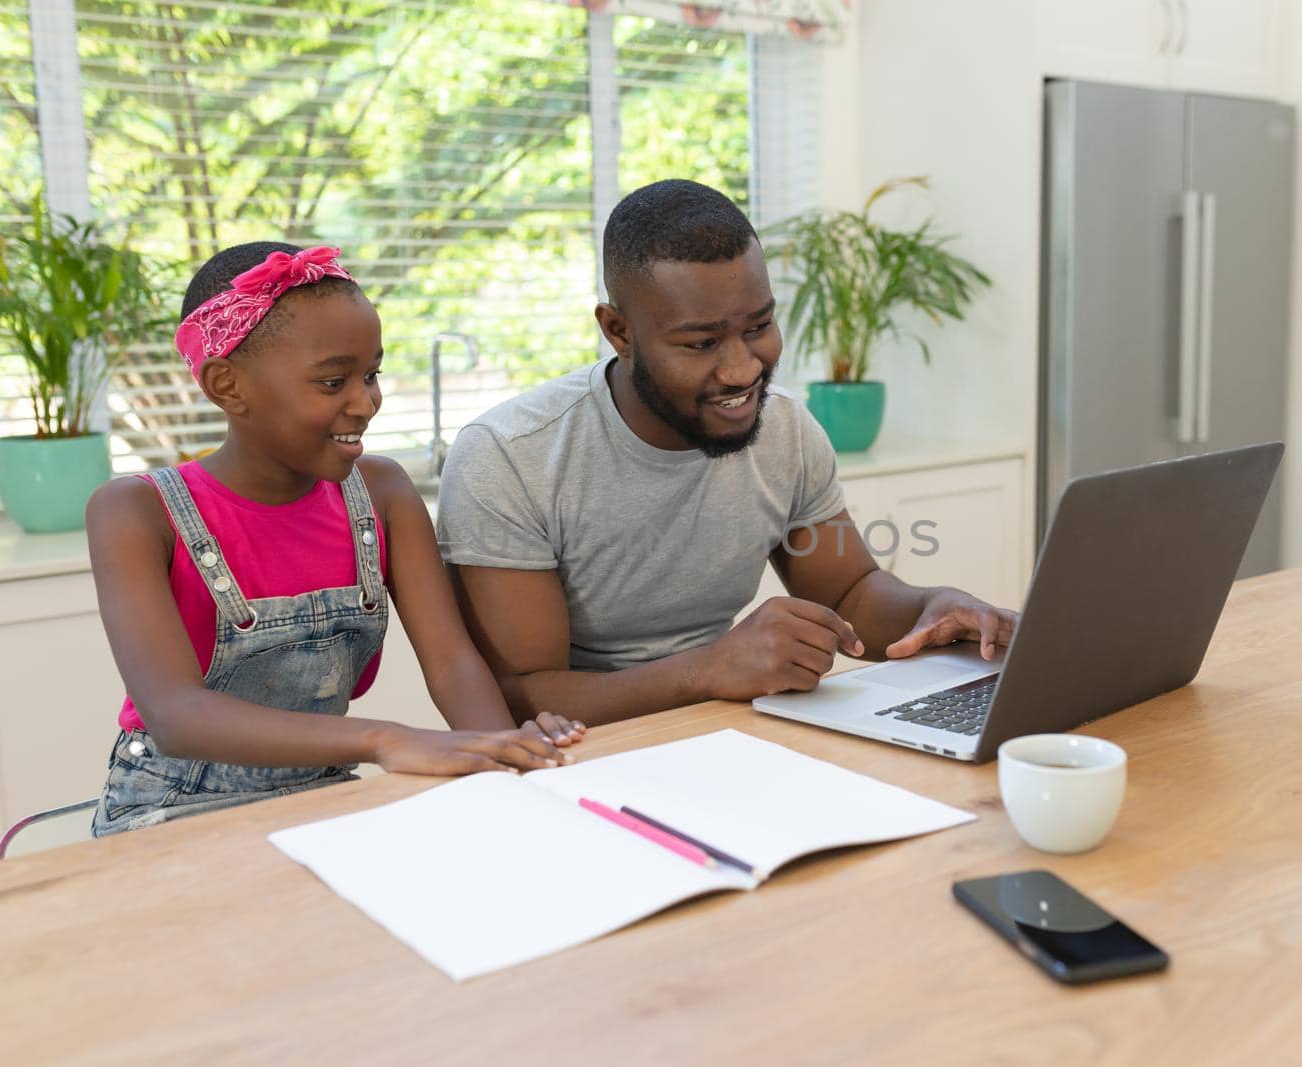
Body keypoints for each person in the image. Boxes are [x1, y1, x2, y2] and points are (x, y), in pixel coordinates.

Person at [438, 180, 1019, 728]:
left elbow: (851, 594)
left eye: (760, 325)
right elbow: (519, 695)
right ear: (619, 331)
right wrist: (710, 669)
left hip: (730, 729)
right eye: (701, 343)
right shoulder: (510, 457)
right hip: (584, 757)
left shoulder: (786, 430)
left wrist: (933, 610)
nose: (742, 369)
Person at [86, 241, 582, 836]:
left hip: (319, 794)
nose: (365, 402)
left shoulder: (385, 494)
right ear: (228, 385)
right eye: (332, 382)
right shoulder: (135, 512)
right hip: (169, 809)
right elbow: (176, 715)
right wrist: (383, 739)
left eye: (370, 374)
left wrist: (502, 752)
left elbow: (451, 663)